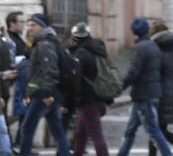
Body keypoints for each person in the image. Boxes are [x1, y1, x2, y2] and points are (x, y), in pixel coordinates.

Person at [117, 18, 172, 156]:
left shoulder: (139, 48)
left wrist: (119, 87)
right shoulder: (153, 46)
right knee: (130, 130)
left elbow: (133, 73)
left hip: (144, 96)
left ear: (135, 33)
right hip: (148, 94)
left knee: (153, 130)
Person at [19, 13, 71, 156]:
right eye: (28, 25)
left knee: (27, 127)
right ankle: (65, 153)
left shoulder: (45, 44)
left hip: (43, 92)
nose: (30, 28)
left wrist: (48, 93)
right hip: (49, 91)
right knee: (56, 128)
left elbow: (50, 70)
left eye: (33, 25)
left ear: (42, 26)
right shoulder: (44, 42)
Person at [69, 21, 109, 156]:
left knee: (96, 136)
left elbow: (76, 78)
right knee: (80, 133)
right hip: (99, 95)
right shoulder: (98, 50)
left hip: (87, 98)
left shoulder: (81, 54)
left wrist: (72, 99)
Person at [148, 20, 173, 156]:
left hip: (158, 93)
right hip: (170, 93)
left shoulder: (155, 50)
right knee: (157, 129)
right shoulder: (172, 50)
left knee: (156, 129)